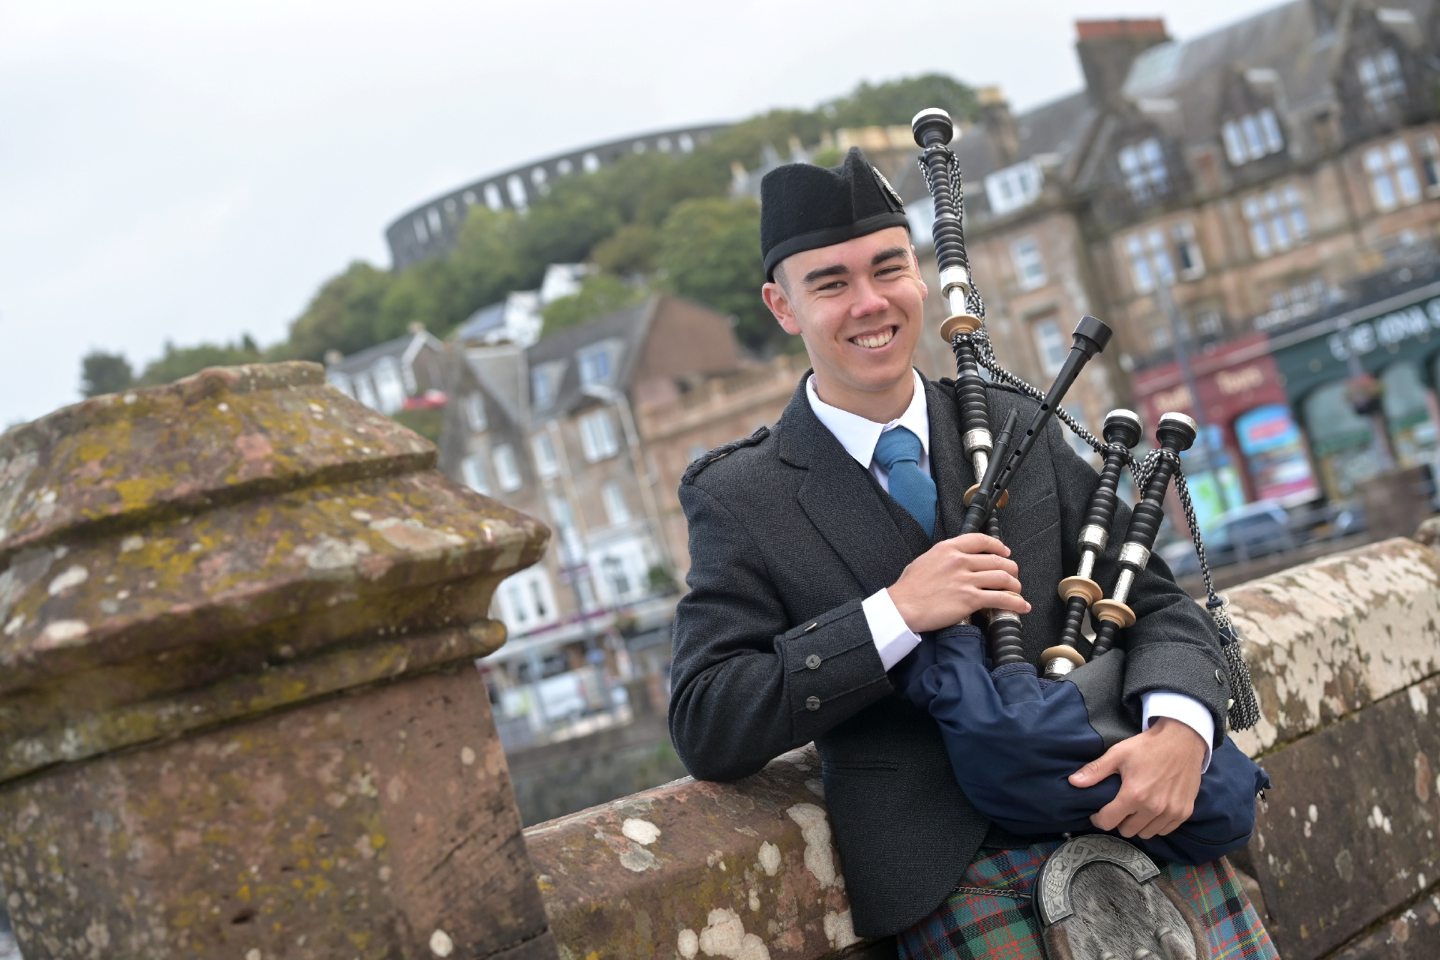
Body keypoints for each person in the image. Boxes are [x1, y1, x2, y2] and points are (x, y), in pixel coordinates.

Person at [667, 147, 1275, 958]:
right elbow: (708, 718)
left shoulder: (1016, 420)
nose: (870, 302)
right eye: (832, 283)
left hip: (1136, 819)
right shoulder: (742, 496)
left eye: (888, 268)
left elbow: (1157, 604)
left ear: (920, 275)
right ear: (784, 307)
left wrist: (1180, 733)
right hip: (955, 872)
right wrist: (894, 614)